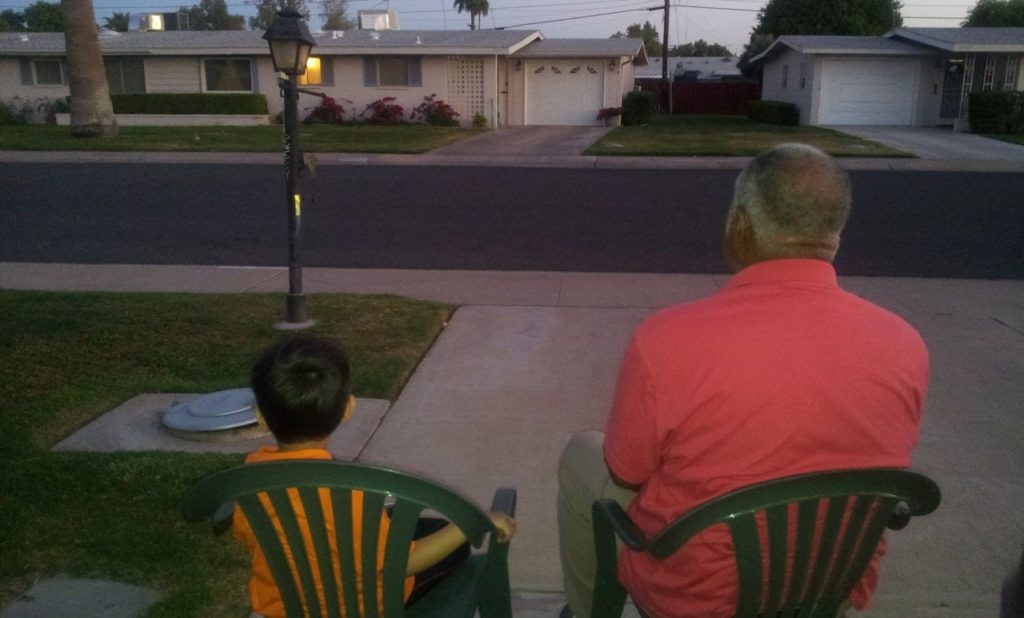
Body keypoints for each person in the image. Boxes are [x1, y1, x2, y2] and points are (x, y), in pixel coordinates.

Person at [557, 144, 929, 618]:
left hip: (696, 596)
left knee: (581, 454)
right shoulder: (905, 342)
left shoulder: (668, 339)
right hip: (826, 586)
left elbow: (626, 473)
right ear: (835, 233)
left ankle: (587, 611)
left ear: (740, 224)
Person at [236, 336, 516, 618]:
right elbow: (400, 565)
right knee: (455, 544)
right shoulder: (350, 492)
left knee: (433, 527)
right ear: (348, 408)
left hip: (283, 607)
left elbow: (256, 539)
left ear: (261, 417)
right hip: (364, 604)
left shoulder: (247, 481)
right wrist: (472, 523)